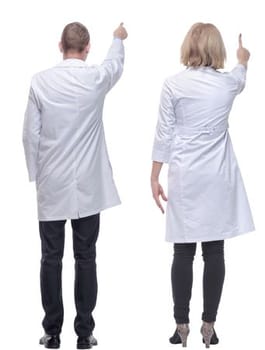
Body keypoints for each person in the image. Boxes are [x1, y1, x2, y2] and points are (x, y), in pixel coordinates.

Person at [148, 23, 254, 348]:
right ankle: (209, 326)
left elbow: (163, 133)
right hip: (217, 177)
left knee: (183, 250)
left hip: (185, 176)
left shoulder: (173, 85)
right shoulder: (227, 85)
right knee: (214, 251)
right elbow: (240, 76)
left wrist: (154, 175)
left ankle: (181, 326)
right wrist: (243, 58)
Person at [23, 21, 127, 350]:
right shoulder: (96, 79)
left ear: (60, 45)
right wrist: (118, 38)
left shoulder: (40, 82)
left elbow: (29, 135)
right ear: (86, 49)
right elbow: (115, 64)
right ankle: (84, 333)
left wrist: (36, 176)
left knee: (50, 258)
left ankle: (52, 332)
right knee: (86, 258)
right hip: (88, 186)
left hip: (52, 184)